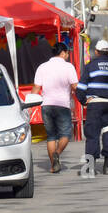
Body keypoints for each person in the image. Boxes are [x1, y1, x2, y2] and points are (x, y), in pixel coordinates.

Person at [77, 39, 108, 174]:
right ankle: (107, 166)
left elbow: (81, 88)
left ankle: (90, 168)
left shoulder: (90, 66)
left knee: (92, 134)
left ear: (96, 52)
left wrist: (84, 101)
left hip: (95, 105)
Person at [33, 42, 79, 173]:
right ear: (63, 53)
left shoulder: (42, 67)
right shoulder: (68, 67)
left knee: (51, 136)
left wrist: (29, 105)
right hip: (62, 105)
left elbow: (36, 87)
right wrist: (83, 98)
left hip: (46, 105)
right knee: (65, 134)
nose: (67, 56)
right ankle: (57, 153)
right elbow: (75, 86)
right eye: (67, 53)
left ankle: (53, 166)